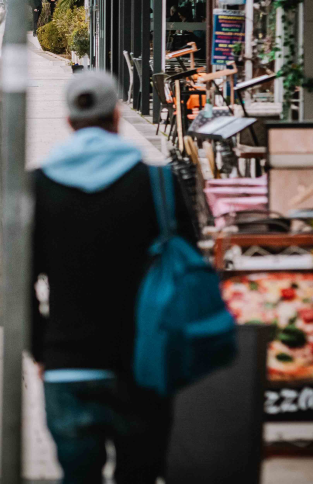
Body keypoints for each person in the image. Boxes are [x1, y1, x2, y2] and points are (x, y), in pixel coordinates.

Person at [31, 70, 199, 484]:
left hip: (69, 365)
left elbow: (18, 283)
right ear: (118, 116)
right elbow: (191, 267)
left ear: (69, 121)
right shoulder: (159, 184)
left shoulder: (37, 187)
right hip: (144, 364)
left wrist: (41, 349)